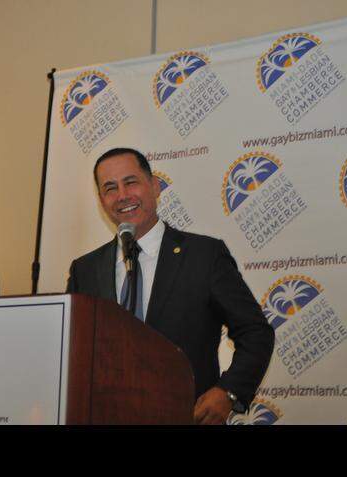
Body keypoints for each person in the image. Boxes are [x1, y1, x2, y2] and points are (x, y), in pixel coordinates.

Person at [67, 148, 274, 425]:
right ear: (102, 201)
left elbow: (256, 332)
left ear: (155, 186)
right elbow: (73, 351)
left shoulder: (204, 256)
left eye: (131, 182)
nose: (122, 195)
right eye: (110, 188)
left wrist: (228, 392)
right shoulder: (85, 270)